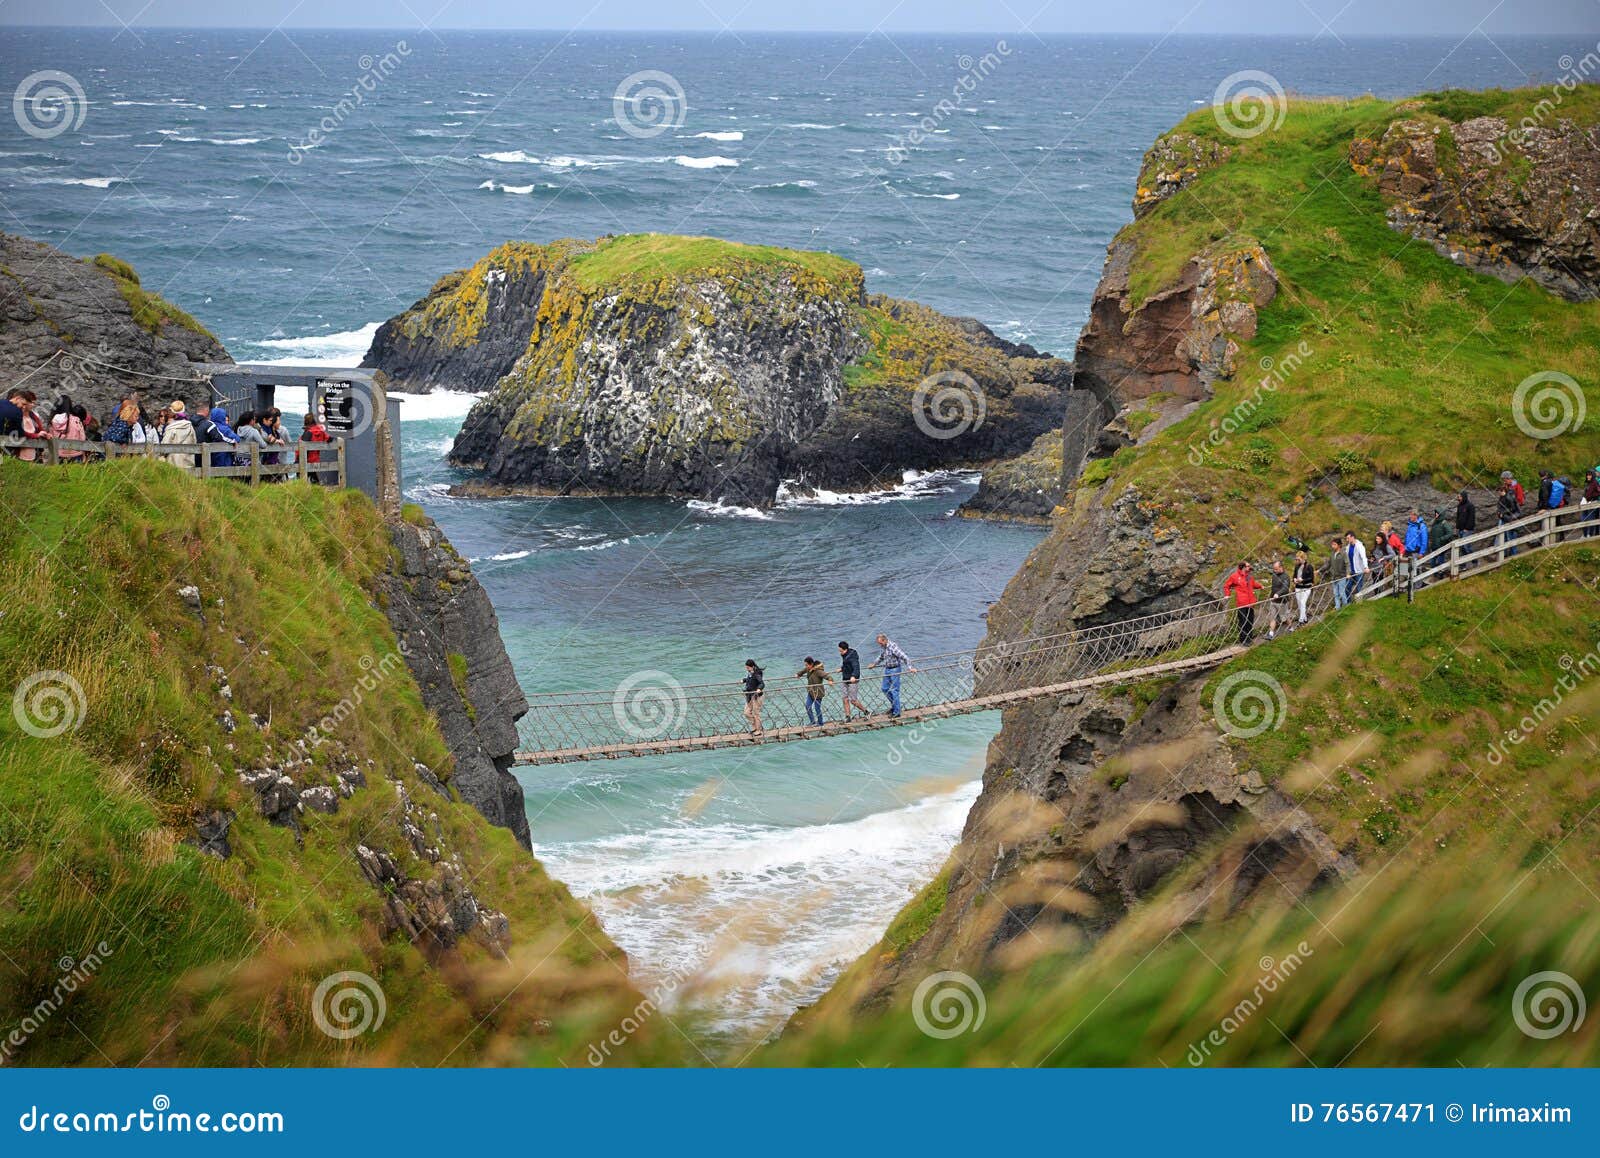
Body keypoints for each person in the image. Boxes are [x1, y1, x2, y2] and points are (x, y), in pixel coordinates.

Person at [869, 633, 913, 717]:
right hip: (887, 669)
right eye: (879, 643)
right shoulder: (883, 647)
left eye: (880, 643)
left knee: (894, 690)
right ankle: (894, 706)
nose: (880, 645)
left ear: (885, 640)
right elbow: (881, 657)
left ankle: (897, 712)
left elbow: (905, 657)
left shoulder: (893, 646)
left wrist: (910, 668)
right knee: (884, 688)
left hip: (895, 669)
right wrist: (874, 664)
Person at [1223, 561, 1264, 644]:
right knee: (1243, 621)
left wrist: (1260, 586)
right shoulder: (1234, 576)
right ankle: (1243, 639)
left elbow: (1253, 584)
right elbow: (1227, 585)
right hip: (1242, 603)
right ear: (1243, 567)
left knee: (1250, 620)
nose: (1250, 567)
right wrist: (1227, 594)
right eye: (1248, 566)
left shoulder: (1249, 576)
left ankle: (1249, 636)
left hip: (1250, 602)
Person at [160, 400, 199, 469]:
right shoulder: (190, 426)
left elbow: (164, 447)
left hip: (173, 465)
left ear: (172, 412)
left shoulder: (171, 428)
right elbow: (194, 442)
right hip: (188, 462)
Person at [796, 657, 834, 726]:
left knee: (817, 708)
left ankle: (820, 723)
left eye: (807, 665)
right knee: (807, 706)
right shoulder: (808, 669)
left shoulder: (818, 671)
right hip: (810, 691)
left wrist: (830, 680)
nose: (806, 667)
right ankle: (812, 721)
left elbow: (827, 676)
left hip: (818, 692)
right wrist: (798, 674)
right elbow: (802, 671)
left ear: (811, 664)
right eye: (805, 665)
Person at [49, 394, 86, 461]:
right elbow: (82, 438)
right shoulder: (76, 420)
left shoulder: (52, 422)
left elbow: (50, 438)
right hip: (75, 454)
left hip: (58, 455)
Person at [837, 640, 868, 721]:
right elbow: (846, 664)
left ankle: (866, 712)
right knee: (844, 698)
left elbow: (856, 666)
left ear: (845, 649)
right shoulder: (844, 655)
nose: (840, 653)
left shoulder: (852, 656)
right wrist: (842, 669)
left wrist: (854, 676)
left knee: (853, 700)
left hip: (853, 680)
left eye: (841, 651)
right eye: (839, 651)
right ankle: (848, 717)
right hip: (845, 679)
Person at [300, 411, 331, 484]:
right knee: (313, 478)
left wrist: (298, 460)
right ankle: (317, 488)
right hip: (315, 459)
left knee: (301, 479)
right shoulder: (321, 431)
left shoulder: (308, 433)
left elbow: (302, 447)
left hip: (306, 459)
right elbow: (329, 439)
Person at [1266, 558, 1291, 639]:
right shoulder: (1274, 574)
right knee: (1272, 617)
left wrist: (1278, 593)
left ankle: (1291, 628)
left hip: (1282, 601)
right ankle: (1271, 634)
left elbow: (1285, 588)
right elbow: (1273, 587)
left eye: (1276, 569)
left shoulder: (1286, 576)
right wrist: (1271, 595)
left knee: (1285, 617)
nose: (1275, 570)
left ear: (1281, 567)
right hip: (1273, 600)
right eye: (1274, 569)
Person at [1497, 479, 1521, 556]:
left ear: (1502, 491)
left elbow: (1512, 508)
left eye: (1499, 491)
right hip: (1507, 518)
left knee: (1511, 536)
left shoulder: (1508, 497)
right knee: (1507, 536)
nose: (1498, 493)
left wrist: (1503, 513)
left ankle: (1513, 554)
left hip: (1510, 518)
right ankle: (1508, 553)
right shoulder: (1503, 497)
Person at [1292, 549, 1315, 625]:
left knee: (1302, 602)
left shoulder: (1309, 566)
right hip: (1298, 587)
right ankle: (1305, 619)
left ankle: (1301, 621)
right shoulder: (1296, 566)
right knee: (1299, 604)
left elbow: (1311, 578)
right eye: (1296, 559)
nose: (1297, 561)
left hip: (1306, 587)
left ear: (1303, 558)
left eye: (1298, 559)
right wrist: (1294, 579)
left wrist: (1302, 580)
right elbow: (1294, 576)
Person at [742, 660, 765, 734]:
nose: (747, 669)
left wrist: (759, 689)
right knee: (746, 713)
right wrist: (744, 680)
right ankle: (756, 726)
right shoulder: (750, 673)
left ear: (753, 666)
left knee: (756, 713)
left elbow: (762, 683)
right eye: (746, 667)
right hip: (749, 696)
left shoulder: (757, 673)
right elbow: (751, 680)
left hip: (756, 696)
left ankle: (758, 730)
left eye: (748, 667)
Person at [1327, 536, 1350, 609]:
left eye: (1334, 544)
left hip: (1342, 576)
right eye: (1332, 544)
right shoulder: (1332, 553)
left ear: (1339, 545)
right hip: (1334, 577)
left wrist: (1348, 573)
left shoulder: (1343, 553)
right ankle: (1338, 608)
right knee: (1335, 594)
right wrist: (1319, 570)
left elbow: (1347, 564)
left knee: (1342, 593)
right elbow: (1328, 564)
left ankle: (1345, 607)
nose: (1332, 546)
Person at [1345, 532, 1369, 598]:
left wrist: (1366, 567)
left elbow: (1363, 557)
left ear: (1353, 537)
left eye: (1348, 538)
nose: (1347, 540)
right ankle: (1348, 603)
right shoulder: (1348, 547)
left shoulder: (1359, 546)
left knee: (1359, 588)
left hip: (1359, 571)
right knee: (1347, 587)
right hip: (1351, 571)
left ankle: (1359, 603)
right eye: (1346, 538)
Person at [1584, 470, 1600, 538]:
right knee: (1587, 518)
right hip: (1587, 503)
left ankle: (1593, 534)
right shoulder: (1587, 482)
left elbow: (1599, 492)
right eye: (1587, 475)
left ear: (1592, 475)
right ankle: (1588, 534)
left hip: (1594, 502)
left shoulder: (1595, 482)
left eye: (1590, 475)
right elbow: (1586, 492)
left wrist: (1593, 496)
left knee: (1593, 518)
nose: (1588, 476)